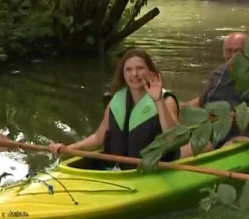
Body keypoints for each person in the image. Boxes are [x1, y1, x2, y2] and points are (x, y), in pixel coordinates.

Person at [49, 49, 181, 170]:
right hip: (111, 168)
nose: (134, 74)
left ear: (151, 72)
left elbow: (174, 140)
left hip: (146, 171)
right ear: (123, 74)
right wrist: (67, 149)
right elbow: (98, 138)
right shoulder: (117, 100)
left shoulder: (166, 100)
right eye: (128, 69)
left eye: (140, 68)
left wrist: (158, 100)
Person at [180, 31, 249, 155]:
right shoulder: (217, 75)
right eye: (229, 51)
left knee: (228, 148)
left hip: (241, 136)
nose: (233, 56)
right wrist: (179, 107)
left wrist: (238, 115)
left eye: (238, 51)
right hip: (212, 134)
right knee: (180, 151)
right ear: (223, 52)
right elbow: (202, 101)